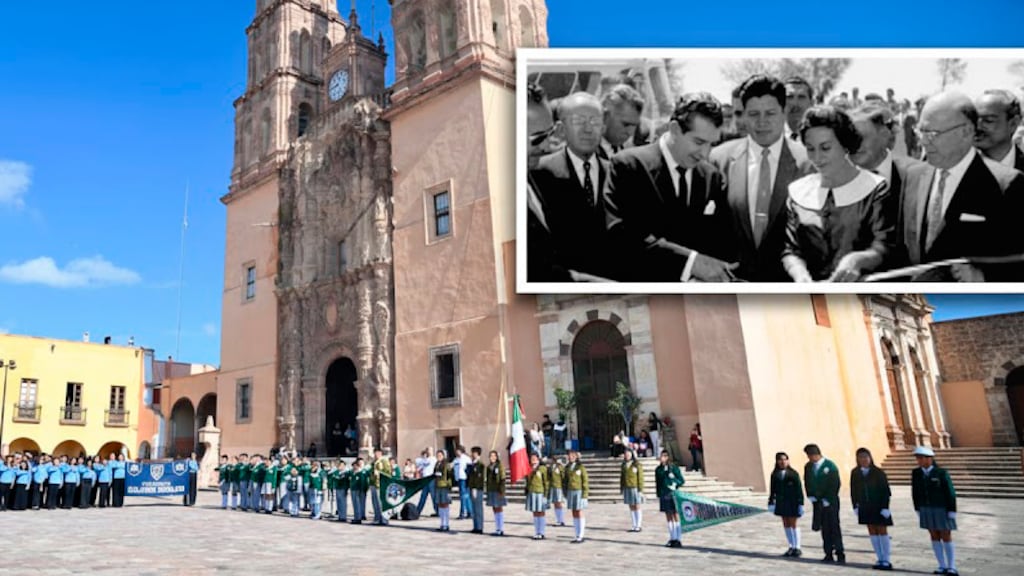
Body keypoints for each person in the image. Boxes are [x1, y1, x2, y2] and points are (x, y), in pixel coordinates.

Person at [893, 91, 1024, 282]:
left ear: (966, 132)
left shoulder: (1007, 185)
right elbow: (899, 252)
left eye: (932, 134)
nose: (922, 141)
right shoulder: (912, 177)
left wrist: (983, 277)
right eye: (920, 132)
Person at [605, 92, 736, 282]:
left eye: (711, 144)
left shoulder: (712, 177)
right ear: (674, 129)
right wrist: (691, 264)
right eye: (698, 142)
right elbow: (623, 239)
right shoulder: (628, 166)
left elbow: (721, 242)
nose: (705, 153)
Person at [710, 74, 815, 281]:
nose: (762, 122)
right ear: (744, 115)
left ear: (784, 112)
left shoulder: (809, 163)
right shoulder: (719, 159)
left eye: (770, 113)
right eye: (753, 114)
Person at [782, 105, 893, 282]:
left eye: (825, 148)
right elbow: (790, 250)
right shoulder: (798, 192)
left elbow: (884, 245)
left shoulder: (875, 188)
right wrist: (799, 273)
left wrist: (856, 261)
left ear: (845, 144)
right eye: (810, 149)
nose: (817, 158)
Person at [530, 91, 617, 281]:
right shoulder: (539, 172)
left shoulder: (620, 174)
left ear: (603, 128)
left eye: (594, 122)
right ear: (561, 129)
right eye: (579, 121)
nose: (588, 129)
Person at [850, 103, 926, 218]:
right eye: (849, 138)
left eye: (861, 137)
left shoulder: (919, 176)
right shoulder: (835, 182)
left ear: (884, 135)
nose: (853, 145)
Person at [911, 446, 959, 575]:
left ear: (930, 459)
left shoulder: (941, 473)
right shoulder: (916, 473)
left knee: (946, 535)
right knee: (934, 536)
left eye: (921, 458)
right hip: (926, 507)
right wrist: (917, 508)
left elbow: (950, 492)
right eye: (918, 458)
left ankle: (952, 566)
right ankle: (941, 565)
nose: (919, 461)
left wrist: (952, 509)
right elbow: (915, 492)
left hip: (941, 508)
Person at [850, 447, 894, 570]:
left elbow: (886, 491)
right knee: (872, 531)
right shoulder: (855, 473)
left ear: (870, 458)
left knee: (882, 531)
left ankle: (886, 559)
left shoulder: (878, 472)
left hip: (879, 506)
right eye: (860, 457)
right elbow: (853, 490)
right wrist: (855, 505)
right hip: (865, 506)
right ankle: (879, 558)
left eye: (865, 457)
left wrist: (885, 507)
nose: (863, 459)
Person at [804, 444, 845, 564]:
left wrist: (828, 498)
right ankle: (828, 553)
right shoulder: (808, 467)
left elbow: (835, 483)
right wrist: (810, 495)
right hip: (817, 502)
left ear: (816, 454)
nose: (810, 458)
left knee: (834, 527)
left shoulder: (829, 466)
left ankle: (840, 552)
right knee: (824, 528)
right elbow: (807, 481)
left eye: (811, 456)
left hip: (830, 502)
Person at [974, 89, 1024, 171]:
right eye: (974, 119)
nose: (978, 127)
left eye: (988, 120)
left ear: (1013, 124)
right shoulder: (954, 170)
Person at [768, 451, 805, 558]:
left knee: (793, 524)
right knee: (786, 523)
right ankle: (791, 546)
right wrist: (771, 502)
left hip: (792, 502)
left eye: (785, 459)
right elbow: (772, 489)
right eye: (780, 459)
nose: (783, 462)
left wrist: (801, 503)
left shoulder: (793, 474)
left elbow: (799, 489)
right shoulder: (775, 474)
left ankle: (797, 547)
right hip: (781, 502)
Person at [600, 84, 645, 158]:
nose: (630, 133)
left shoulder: (628, 151)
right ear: (606, 113)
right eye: (625, 124)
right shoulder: (584, 153)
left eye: (634, 126)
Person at [655, 449, 686, 548]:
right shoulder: (658, 469)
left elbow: (681, 480)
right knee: (668, 515)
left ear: (668, 457)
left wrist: (675, 483)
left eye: (664, 456)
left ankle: (678, 538)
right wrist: (659, 494)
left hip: (673, 493)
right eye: (661, 456)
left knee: (675, 514)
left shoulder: (673, 468)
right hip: (664, 494)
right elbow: (658, 483)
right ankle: (672, 537)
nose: (662, 458)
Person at [564, 449, 589, 543]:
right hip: (571, 491)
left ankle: (581, 534)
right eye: (569, 455)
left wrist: (585, 494)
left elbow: (585, 481)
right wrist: (565, 492)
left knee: (579, 512)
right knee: (574, 512)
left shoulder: (580, 467)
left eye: (572, 455)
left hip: (579, 491)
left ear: (576, 456)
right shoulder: (567, 468)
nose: (571, 457)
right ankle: (576, 534)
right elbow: (565, 481)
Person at [525, 452, 549, 540]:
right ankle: (536, 531)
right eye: (532, 458)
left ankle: (542, 532)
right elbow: (527, 481)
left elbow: (546, 482)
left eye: (535, 458)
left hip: (540, 492)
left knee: (541, 512)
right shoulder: (529, 468)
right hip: (532, 492)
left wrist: (546, 494)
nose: (533, 459)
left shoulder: (542, 468)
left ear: (538, 458)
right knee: (535, 512)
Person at [620, 449, 645, 532]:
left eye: (629, 454)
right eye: (626, 454)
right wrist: (621, 487)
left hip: (635, 487)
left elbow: (640, 477)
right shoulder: (623, 465)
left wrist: (640, 489)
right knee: (631, 505)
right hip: (627, 487)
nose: (627, 455)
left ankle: (638, 525)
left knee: (637, 505)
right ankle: (634, 524)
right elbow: (622, 477)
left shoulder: (637, 464)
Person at [485, 450, 508, 536]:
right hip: (491, 489)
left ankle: (501, 528)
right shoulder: (488, 467)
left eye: (494, 456)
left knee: (499, 508)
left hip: (498, 490)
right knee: (494, 508)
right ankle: (497, 527)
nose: (492, 458)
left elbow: (502, 478)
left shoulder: (500, 466)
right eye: (491, 456)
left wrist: (502, 491)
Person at [434, 449, 454, 532]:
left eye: (440, 455)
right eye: (437, 455)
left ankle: (446, 524)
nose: (439, 457)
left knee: (445, 504)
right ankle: (442, 523)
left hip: (444, 486)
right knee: (440, 505)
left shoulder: (446, 465)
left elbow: (450, 476)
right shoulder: (437, 464)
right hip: (438, 485)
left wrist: (449, 486)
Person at [468, 446, 486, 534]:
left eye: (473, 453)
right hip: (471, 488)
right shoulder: (472, 464)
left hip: (478, 489)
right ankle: (475, 526)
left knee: (478, 508)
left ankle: (479, 527)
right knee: (474, 508)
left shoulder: (480, 465)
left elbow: (479, 478)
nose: (472, 454)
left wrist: (475, 488)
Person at [371, 447, 391, 525]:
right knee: (375, 502)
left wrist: (379, 473)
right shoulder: (374, 462)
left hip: (380, 484)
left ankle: (384, 519)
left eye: (376, 453)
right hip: (373, 483)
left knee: (381, 503)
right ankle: (377, 518)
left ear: (380, 453)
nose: (375, 455)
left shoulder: (384, 461)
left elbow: (388, 472)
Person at [415, 448, 437, 517]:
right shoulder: (424, 460)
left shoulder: (434, 459)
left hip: (431, 479)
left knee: (433, 496)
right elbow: (419, 468)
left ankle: (437, 511)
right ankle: (418, 511)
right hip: (425, 479)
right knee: (423, 496)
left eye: (430, 450)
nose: (429, 452)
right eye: (428, 450)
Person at [453, 445, 472, 520]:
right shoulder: (456, 459)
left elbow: (469, 469)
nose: (456, 452)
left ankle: (463, 512)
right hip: (459, 479)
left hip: (464, 478)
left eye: (458, 450)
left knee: (463, 496)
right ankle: (470, 512)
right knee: (465, 496)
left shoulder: (466, 458)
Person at [546, 456, 567, 527]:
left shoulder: (560, 467)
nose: (552, 460)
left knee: (559, 503)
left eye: (553, 459)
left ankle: (561, 520)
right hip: (553, 487)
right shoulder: (550, 467)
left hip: (559, 486)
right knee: (555, 503)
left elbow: (563, 476)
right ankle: (558, 520)